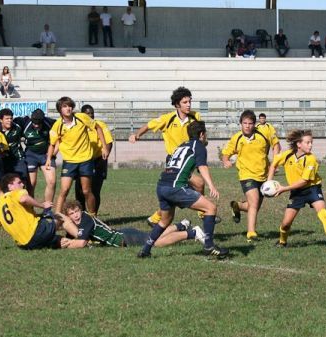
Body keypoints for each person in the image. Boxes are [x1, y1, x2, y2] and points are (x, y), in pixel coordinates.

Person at [137, 120, 228, 259]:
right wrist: (211, 186)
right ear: (202, 134)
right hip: (175, 187)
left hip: (162, 185)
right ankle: (209, 245)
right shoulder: (199, 146)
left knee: (165, 221)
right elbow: (202, 167)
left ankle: (145, 250)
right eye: (206, 134)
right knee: (210, 208)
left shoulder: (181, 146)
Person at [128, 86, 203, 227]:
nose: (188, 105)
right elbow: (148, 125)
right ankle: (204, 213)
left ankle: (155, 218)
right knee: (198, 184)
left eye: (189, 102)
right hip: (174, 161)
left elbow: (200, 137)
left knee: (175, 193)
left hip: (188, 160)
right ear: (177, 104)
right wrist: (136, 135)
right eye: (185, 102)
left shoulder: (195, 117)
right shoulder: (167, 119)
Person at [267, 129, 326, 251]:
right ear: (299, 144)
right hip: (297, 193)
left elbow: (304, 181)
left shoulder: (311, 159)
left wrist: (283, 189)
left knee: (323, 212)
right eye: (307, 142)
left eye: (311, 142)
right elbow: (274, 163)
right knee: (286, 224)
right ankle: (282, 242)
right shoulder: (287, 155)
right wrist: (269, 182)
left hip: (312, 188)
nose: (310, 145)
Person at [222, 109, 279, 242]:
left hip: (263, 176)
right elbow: (227, 153)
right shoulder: (237, 138)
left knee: (253, 206)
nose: (247, 126)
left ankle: (237, 206)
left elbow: (276, 146)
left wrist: (274, 164)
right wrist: (226, 161)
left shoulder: (263, 135)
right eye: (244, 123)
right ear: (241, 124)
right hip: (246, 175)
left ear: (254, 124)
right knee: (254, 202)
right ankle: (251, 233)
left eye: (250, 123)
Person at [46, 96, 108, 214]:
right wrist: (49, 158)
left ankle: (92, 217)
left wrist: (104, 147)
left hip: (85, 160)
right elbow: (52, 144)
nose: (68, 108)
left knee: (86, 191)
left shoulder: (81, 117)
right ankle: (58, 220)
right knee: (64, 191)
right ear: (60, 109)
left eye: (70, 106)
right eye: (65, 106)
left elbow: (98, 128)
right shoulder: (57, 126)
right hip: (69, 162)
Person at [60, 200, 205, 249]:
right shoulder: (83, 219)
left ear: (81, 210)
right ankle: (181, 225)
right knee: (151, 235)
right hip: (123, 233)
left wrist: (65, 244)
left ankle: (193, 233)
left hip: (124, 239)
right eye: (72, 214)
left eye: (77, 211)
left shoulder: (85, 220)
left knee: (156, 243)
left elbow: (81, 243)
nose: (75, 215)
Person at [0, 173, 68, 251]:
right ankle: (79, 234)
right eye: (19, 182)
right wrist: (42, 205)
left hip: (25, 245)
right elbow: (24, 199)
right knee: (60, 217)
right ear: (10, 186)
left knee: (56, 239)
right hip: (37, 233)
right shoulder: (17, 192)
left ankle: (65, 241)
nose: (22, 185)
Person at [74, 104, 112, 214]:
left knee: (95, 190)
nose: (90, 115)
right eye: (88, 113)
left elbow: (108, 141)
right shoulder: (78, 126)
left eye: (92, 113)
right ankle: (81, 215)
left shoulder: (100, 125)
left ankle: (94, 217)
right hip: (82, 160)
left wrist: (106, 152)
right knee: (80, 190)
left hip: (98, 160)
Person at [19, 109, 57, 204]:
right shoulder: (25, 123)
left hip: (46, 155)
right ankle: (30, 209)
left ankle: (47, 211)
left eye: (38, 123)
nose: (36, 125)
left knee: (52, 182)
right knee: (31, 184)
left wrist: (53, 153)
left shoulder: (50, 123)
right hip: (31, 155)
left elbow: (60, 137)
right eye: (34, 123)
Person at [0, 108, 31, 193]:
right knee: (5, 185)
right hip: (3, 161)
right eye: (7, 119)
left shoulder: (18, 127)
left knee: (22, 182)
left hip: (18, 159)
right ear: (1, 120)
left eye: (11, 118)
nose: (9, 121)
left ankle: (24, 203)